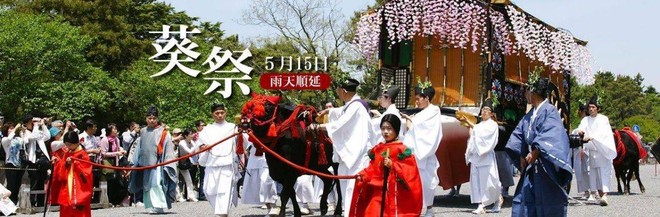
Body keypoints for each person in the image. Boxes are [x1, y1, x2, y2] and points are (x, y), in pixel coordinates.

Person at [505, 77, 572, 217]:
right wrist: (520, 154)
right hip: (531, 165)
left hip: (545, 164)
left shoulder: (550, 111)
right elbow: (518, 134)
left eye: (526, 91)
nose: (525, 95)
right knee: (524, 200)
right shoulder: (530, 114)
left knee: (547, 200)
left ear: (533, 92)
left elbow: (553, 134)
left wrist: (536, 151)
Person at [311, 78, 373, 216]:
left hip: (356, 155)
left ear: (344, 91)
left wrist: (318, 127)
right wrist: (328, 112)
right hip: (351, 156)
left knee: (353, 190)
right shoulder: (353, 105)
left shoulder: (356, 106)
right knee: (347, 190)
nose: (338, 94)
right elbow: (341, 112)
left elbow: (340, 124)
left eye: (339, 91)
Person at [350, 114, 422, 217]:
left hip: (393, 194)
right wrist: (362, 175)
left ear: (396, 129)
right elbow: (372, 168)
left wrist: (393, 165)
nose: (386, 132)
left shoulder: (402, 149)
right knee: (370, 213)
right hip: (377, 193)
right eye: (383, 128)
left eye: (389, 128)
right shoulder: (378, 148)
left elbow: (411, 172)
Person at [401, 80, 443, 217]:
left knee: (427, 183)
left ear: (427, 98)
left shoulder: (434, 111)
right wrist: (410, 122)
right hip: (415, 153)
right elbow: (412, 128)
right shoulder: (419, 114)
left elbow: (429, 131)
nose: (416, 102)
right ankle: (416, 208)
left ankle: (429, 209)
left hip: (426, 153)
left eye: (419, 99)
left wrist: (411, 121)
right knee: (414, 184)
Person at [128, 105, 178, 214]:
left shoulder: (163, 132)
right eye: (149, 118)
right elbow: (139, 148)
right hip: (146, 164)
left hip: (158, 163)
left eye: (154, 118)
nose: (151, 120)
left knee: (156, 184)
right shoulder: (143, 131)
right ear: (146, 119)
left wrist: (166, 162)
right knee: (148, 185)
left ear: (157, 119)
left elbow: (168, 148)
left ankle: (159, 206)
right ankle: (153, 205)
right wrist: (134, 163)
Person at [197, 104, 243, 217]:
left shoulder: (233, 127)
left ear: (225, 113)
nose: (220, 115)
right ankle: (221, 211)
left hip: (228, 164)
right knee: (208, 190)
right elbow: (199, 143)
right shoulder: (207, 129)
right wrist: (203, 146)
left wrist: (242, 132)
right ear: (212, 114)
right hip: (212, 163)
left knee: (224, 190)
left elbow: (243, 142)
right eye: (217, 113)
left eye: (222, 112)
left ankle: (222, 213)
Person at [463, 99, 503, 214]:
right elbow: (474, 138)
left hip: (485, 156)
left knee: (490, 182)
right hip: (476, 157)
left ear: (491, 113)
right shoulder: (479, 125)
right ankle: (481, 204)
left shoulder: (493, 125)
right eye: (483, 109)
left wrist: (473, 128)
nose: (484, 112)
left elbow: (486, 138)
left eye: (487, 110)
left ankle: (497, 199)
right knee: (476, 181)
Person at [576, 95, 616, 206]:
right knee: (593, 174)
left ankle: (605, 195)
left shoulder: (603, 119)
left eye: (593, 107)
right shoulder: (585, 119)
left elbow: (604, 133)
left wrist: (592, 137)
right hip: (592, 151)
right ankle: (596, 193)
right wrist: (580, 132)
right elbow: (581, 127)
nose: (591, 109)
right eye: (589, 107)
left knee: (604, 173)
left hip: (602, 151)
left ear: (598, 108)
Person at [50, 131, 93, 217]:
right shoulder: (66, 153)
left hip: (78, 188)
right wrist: (59, 162)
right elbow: (61, 171)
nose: (67, 147)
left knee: (79, 211)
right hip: (67, 187)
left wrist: (76, 163)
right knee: (66, 210)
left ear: (77, 143)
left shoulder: (83, 155)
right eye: (66, 144)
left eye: (69, 144)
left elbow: (87, 173)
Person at [572, 103, 592, 200]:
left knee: (588, 170)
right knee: (582, 171)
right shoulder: (581, 124)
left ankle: (593, 191)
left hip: (589, 148)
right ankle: (586, 191)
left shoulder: (590, 123)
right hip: (581, 150)